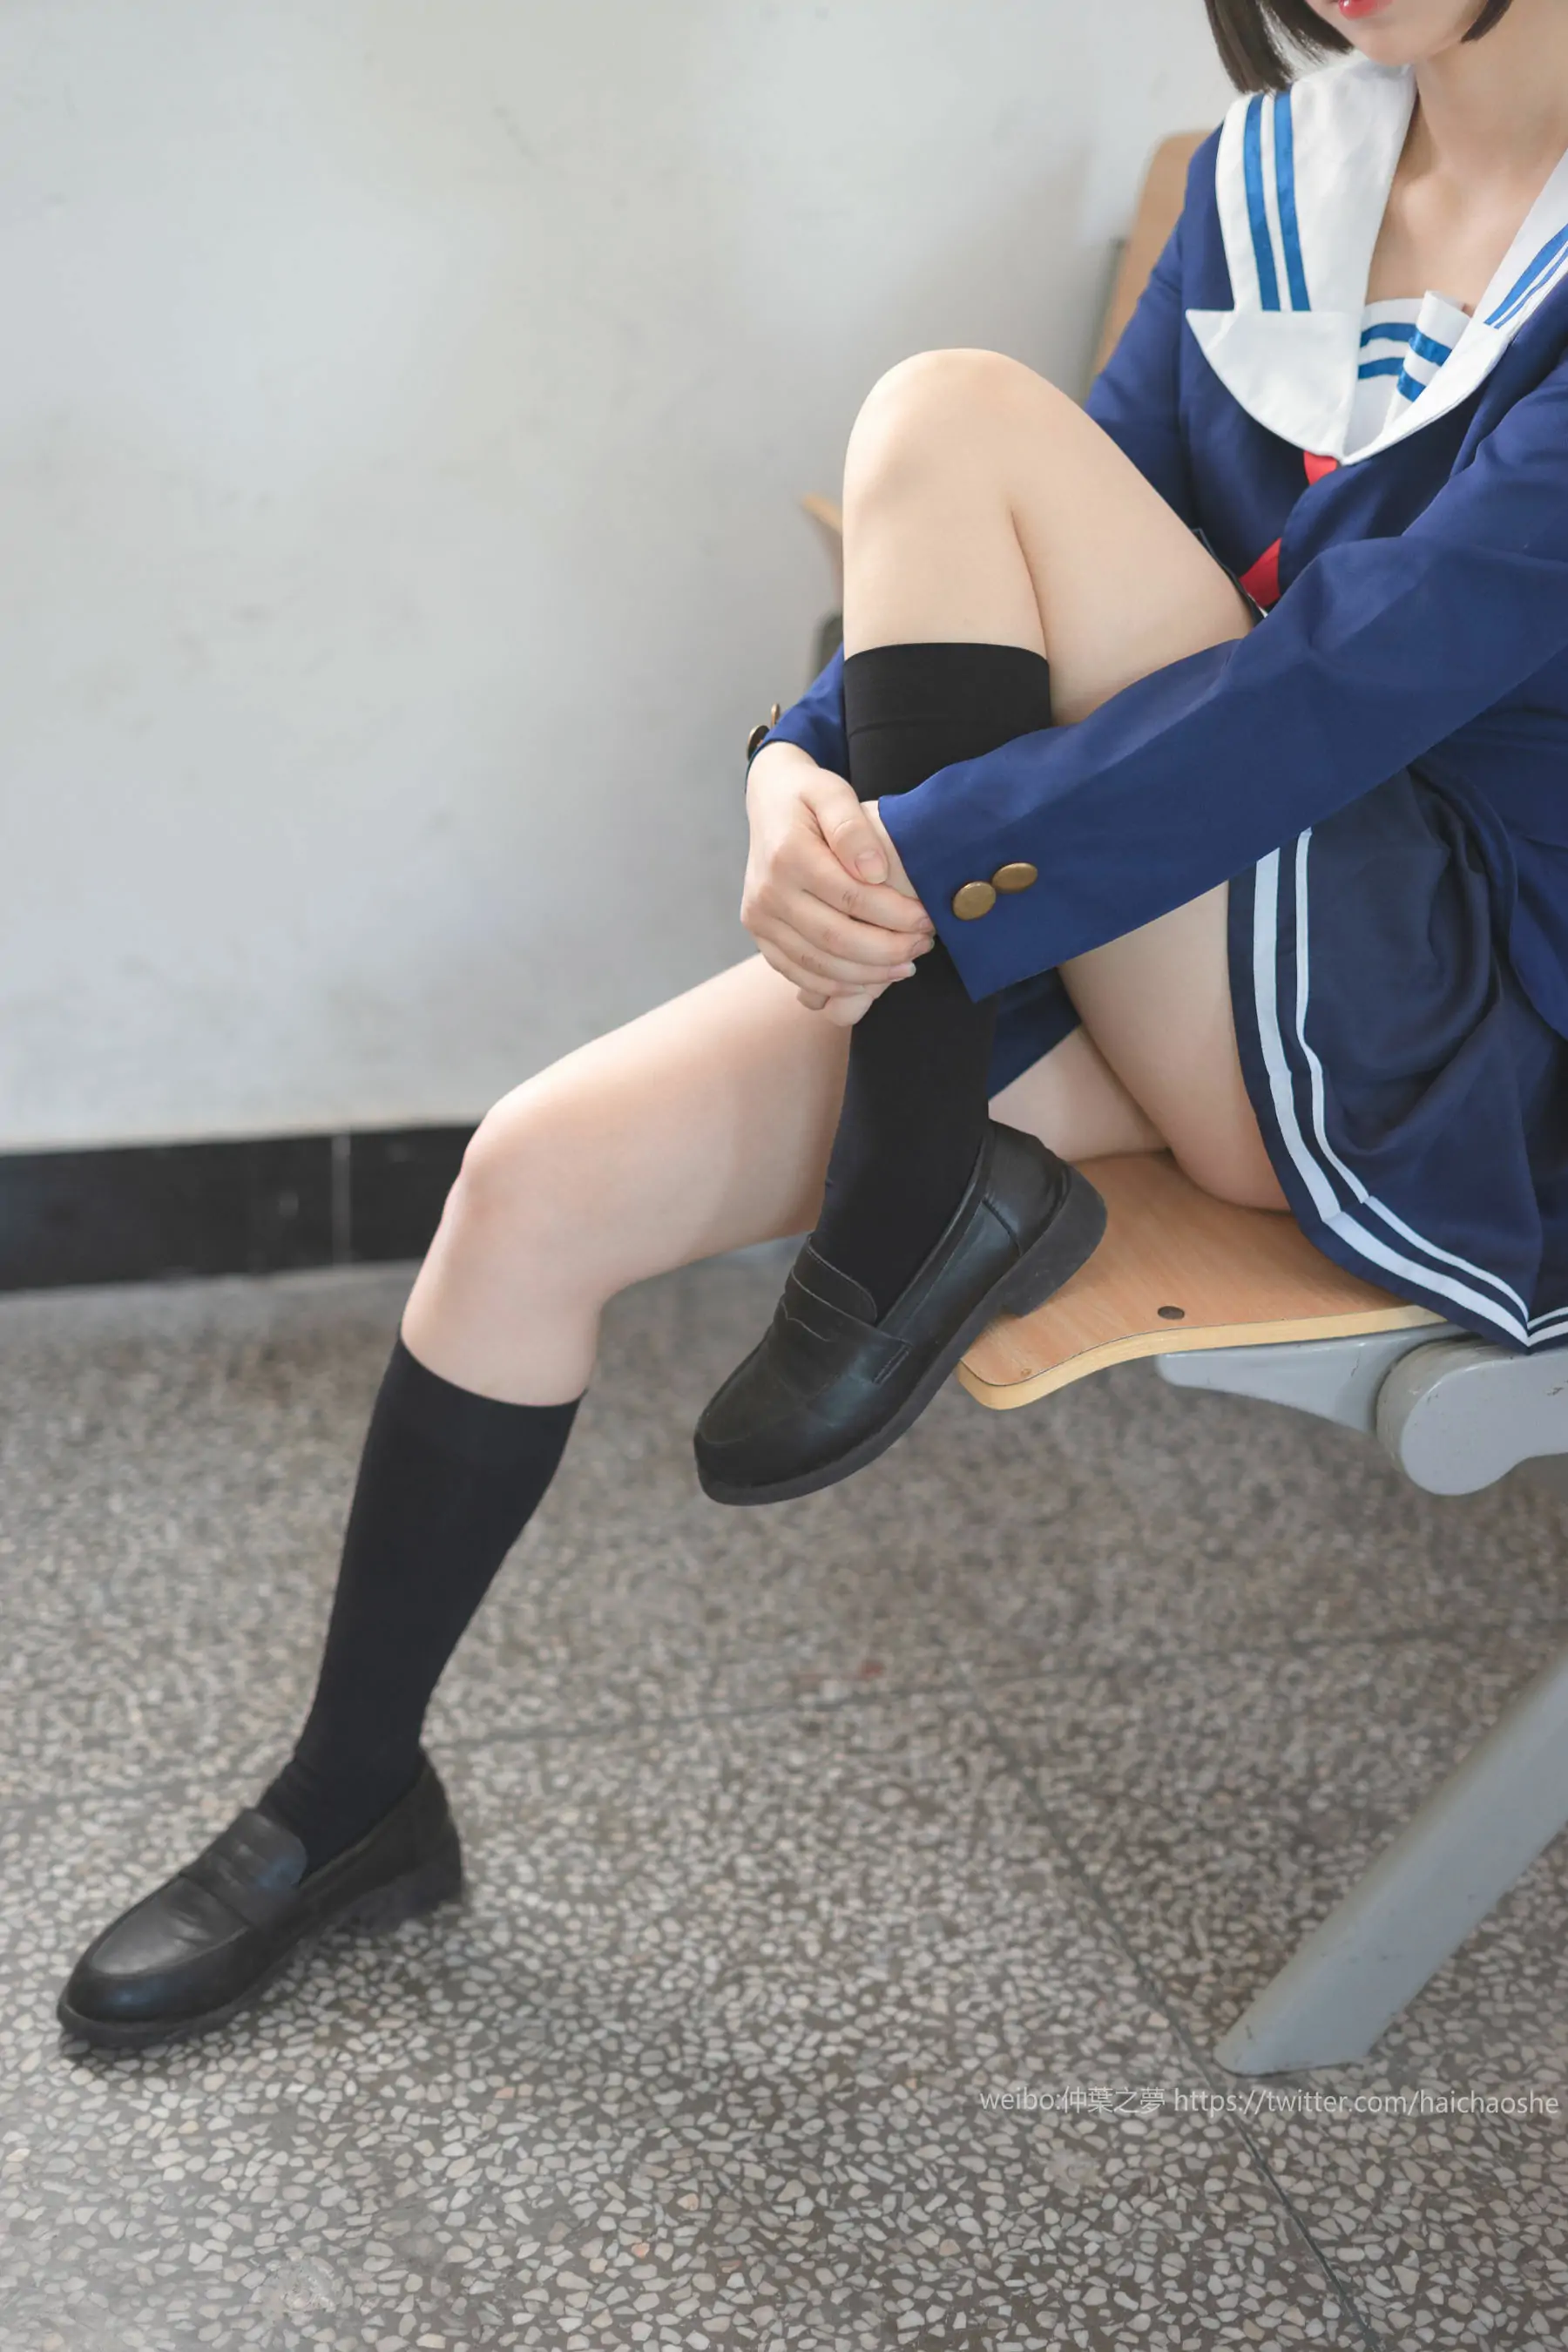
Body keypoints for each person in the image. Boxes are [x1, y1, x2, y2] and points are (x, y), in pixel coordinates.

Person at [58, 0, 1568, 2048]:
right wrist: (793, 767)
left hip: (1427, 1029)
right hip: (1160, 907)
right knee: (535, 1180)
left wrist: (919, 855)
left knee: (950, 408)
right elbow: (1055, 540)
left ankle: (906, 1177)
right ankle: (347, 1807)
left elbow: (1350, 687)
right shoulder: (1279, 177)